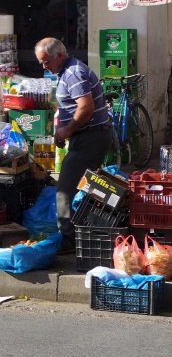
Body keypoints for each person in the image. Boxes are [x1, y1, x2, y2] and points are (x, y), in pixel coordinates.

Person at [34, 37, 111, 252]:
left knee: (64, 190)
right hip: (87, 136)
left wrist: (67, 130)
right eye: (41, 62)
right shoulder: (66, 71)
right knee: (82, 188)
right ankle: (85, 233)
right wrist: (63, 132)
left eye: (46, 61)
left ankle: (68, 241)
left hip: (91, 137)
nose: (44, 66)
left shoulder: (73, 72)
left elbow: (85, 107)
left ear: (59, 55)